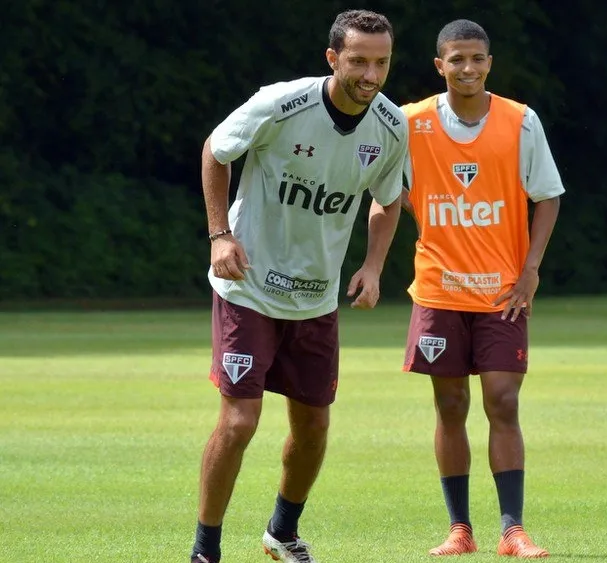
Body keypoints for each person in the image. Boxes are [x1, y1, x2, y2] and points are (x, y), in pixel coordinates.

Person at [189, 9, 406, 563]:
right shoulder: (283, 104)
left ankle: (281, 532)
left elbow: (388, 197)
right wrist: (220, 234)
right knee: (239, 421)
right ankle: (205, 551)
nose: (370, 74)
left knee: (313, 427)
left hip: (315, 299)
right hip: (250, 289)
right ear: (332, 58)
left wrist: (373, 265)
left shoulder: (390, 126)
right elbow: (217, 149)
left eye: (380, 62)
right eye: (358, 60)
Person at [400, 19, 564, 559]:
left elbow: (547, 197)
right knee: (449, 405)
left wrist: (531, 269)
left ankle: (513, 529)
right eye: (456, 59)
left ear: (489, 63)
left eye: (476, 58)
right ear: (439, 65)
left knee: (503, 400)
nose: (467, 68)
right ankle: (459, 530)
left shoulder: (521, 120)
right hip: (438, 291)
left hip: (502, 292)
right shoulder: (410, 122)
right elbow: (384, 190)